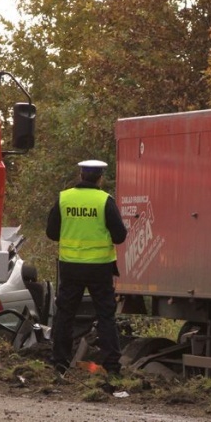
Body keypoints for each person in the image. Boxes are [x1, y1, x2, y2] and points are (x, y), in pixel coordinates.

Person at [46, 159, 128, 375]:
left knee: (65, 314)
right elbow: (120, 236)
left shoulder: (64, 198)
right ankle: (112, 366)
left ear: (80, 175)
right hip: (99, 268)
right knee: (105, 316)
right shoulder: (105, 201)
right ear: (100, 178)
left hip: (71, 267)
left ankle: (60, 363)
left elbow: (52, 233)